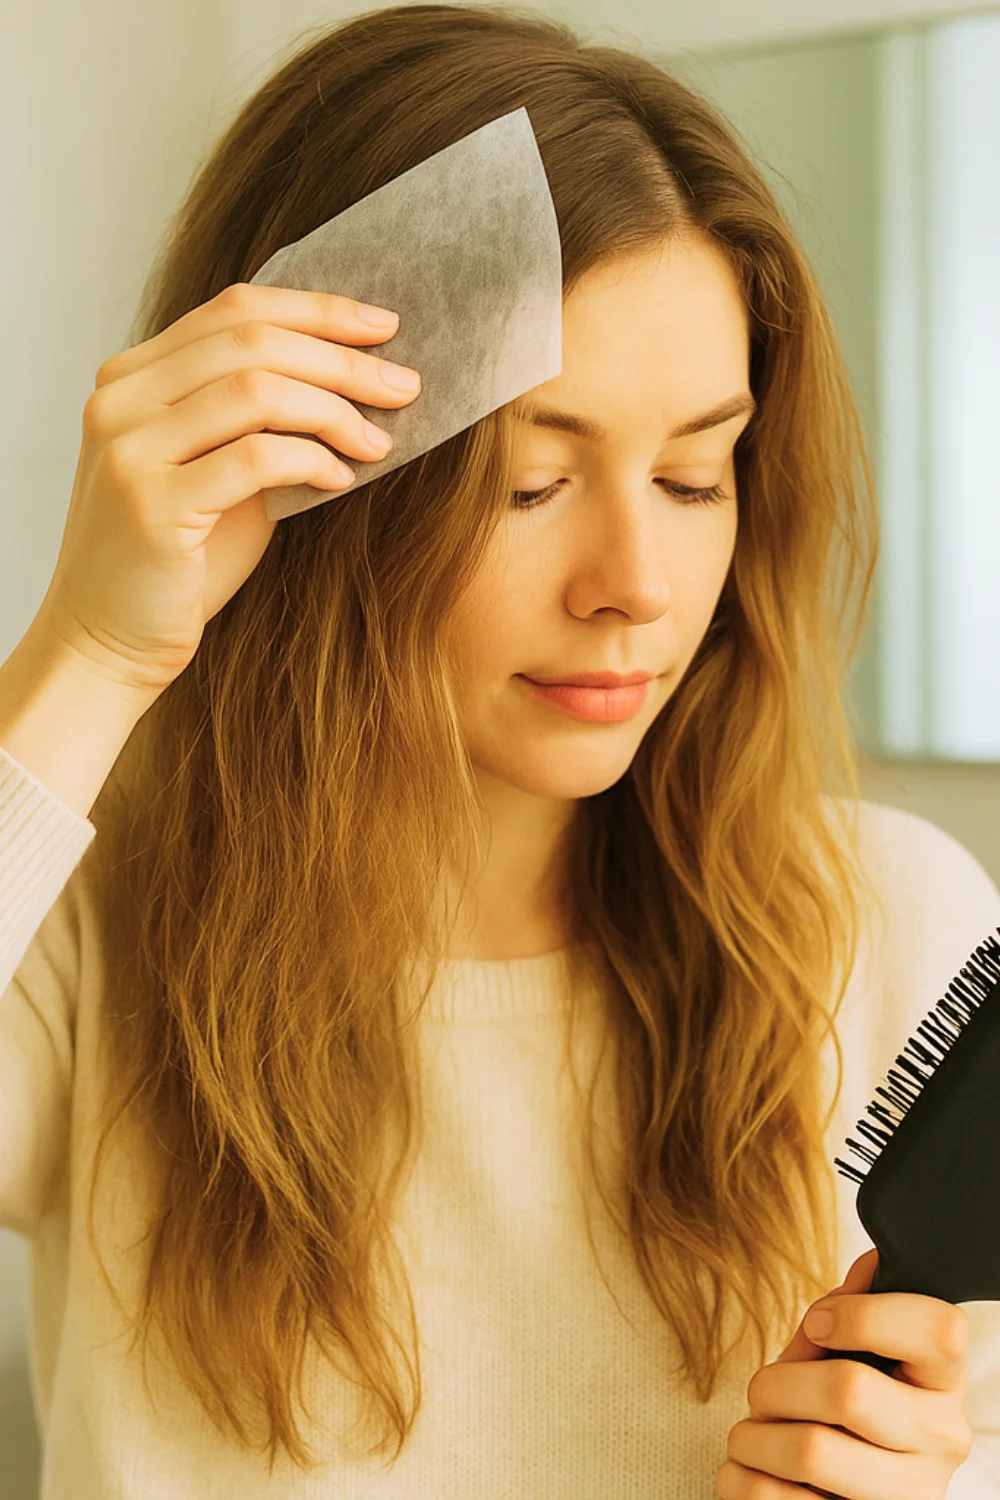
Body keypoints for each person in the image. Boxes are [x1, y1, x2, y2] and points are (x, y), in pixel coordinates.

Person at [0, 5, 997, 1497]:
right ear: (313, 495)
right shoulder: (84, 927)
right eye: (532, 483)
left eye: (693, 474)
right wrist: (90, 654)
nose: (637, 584)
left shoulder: (891, 926)